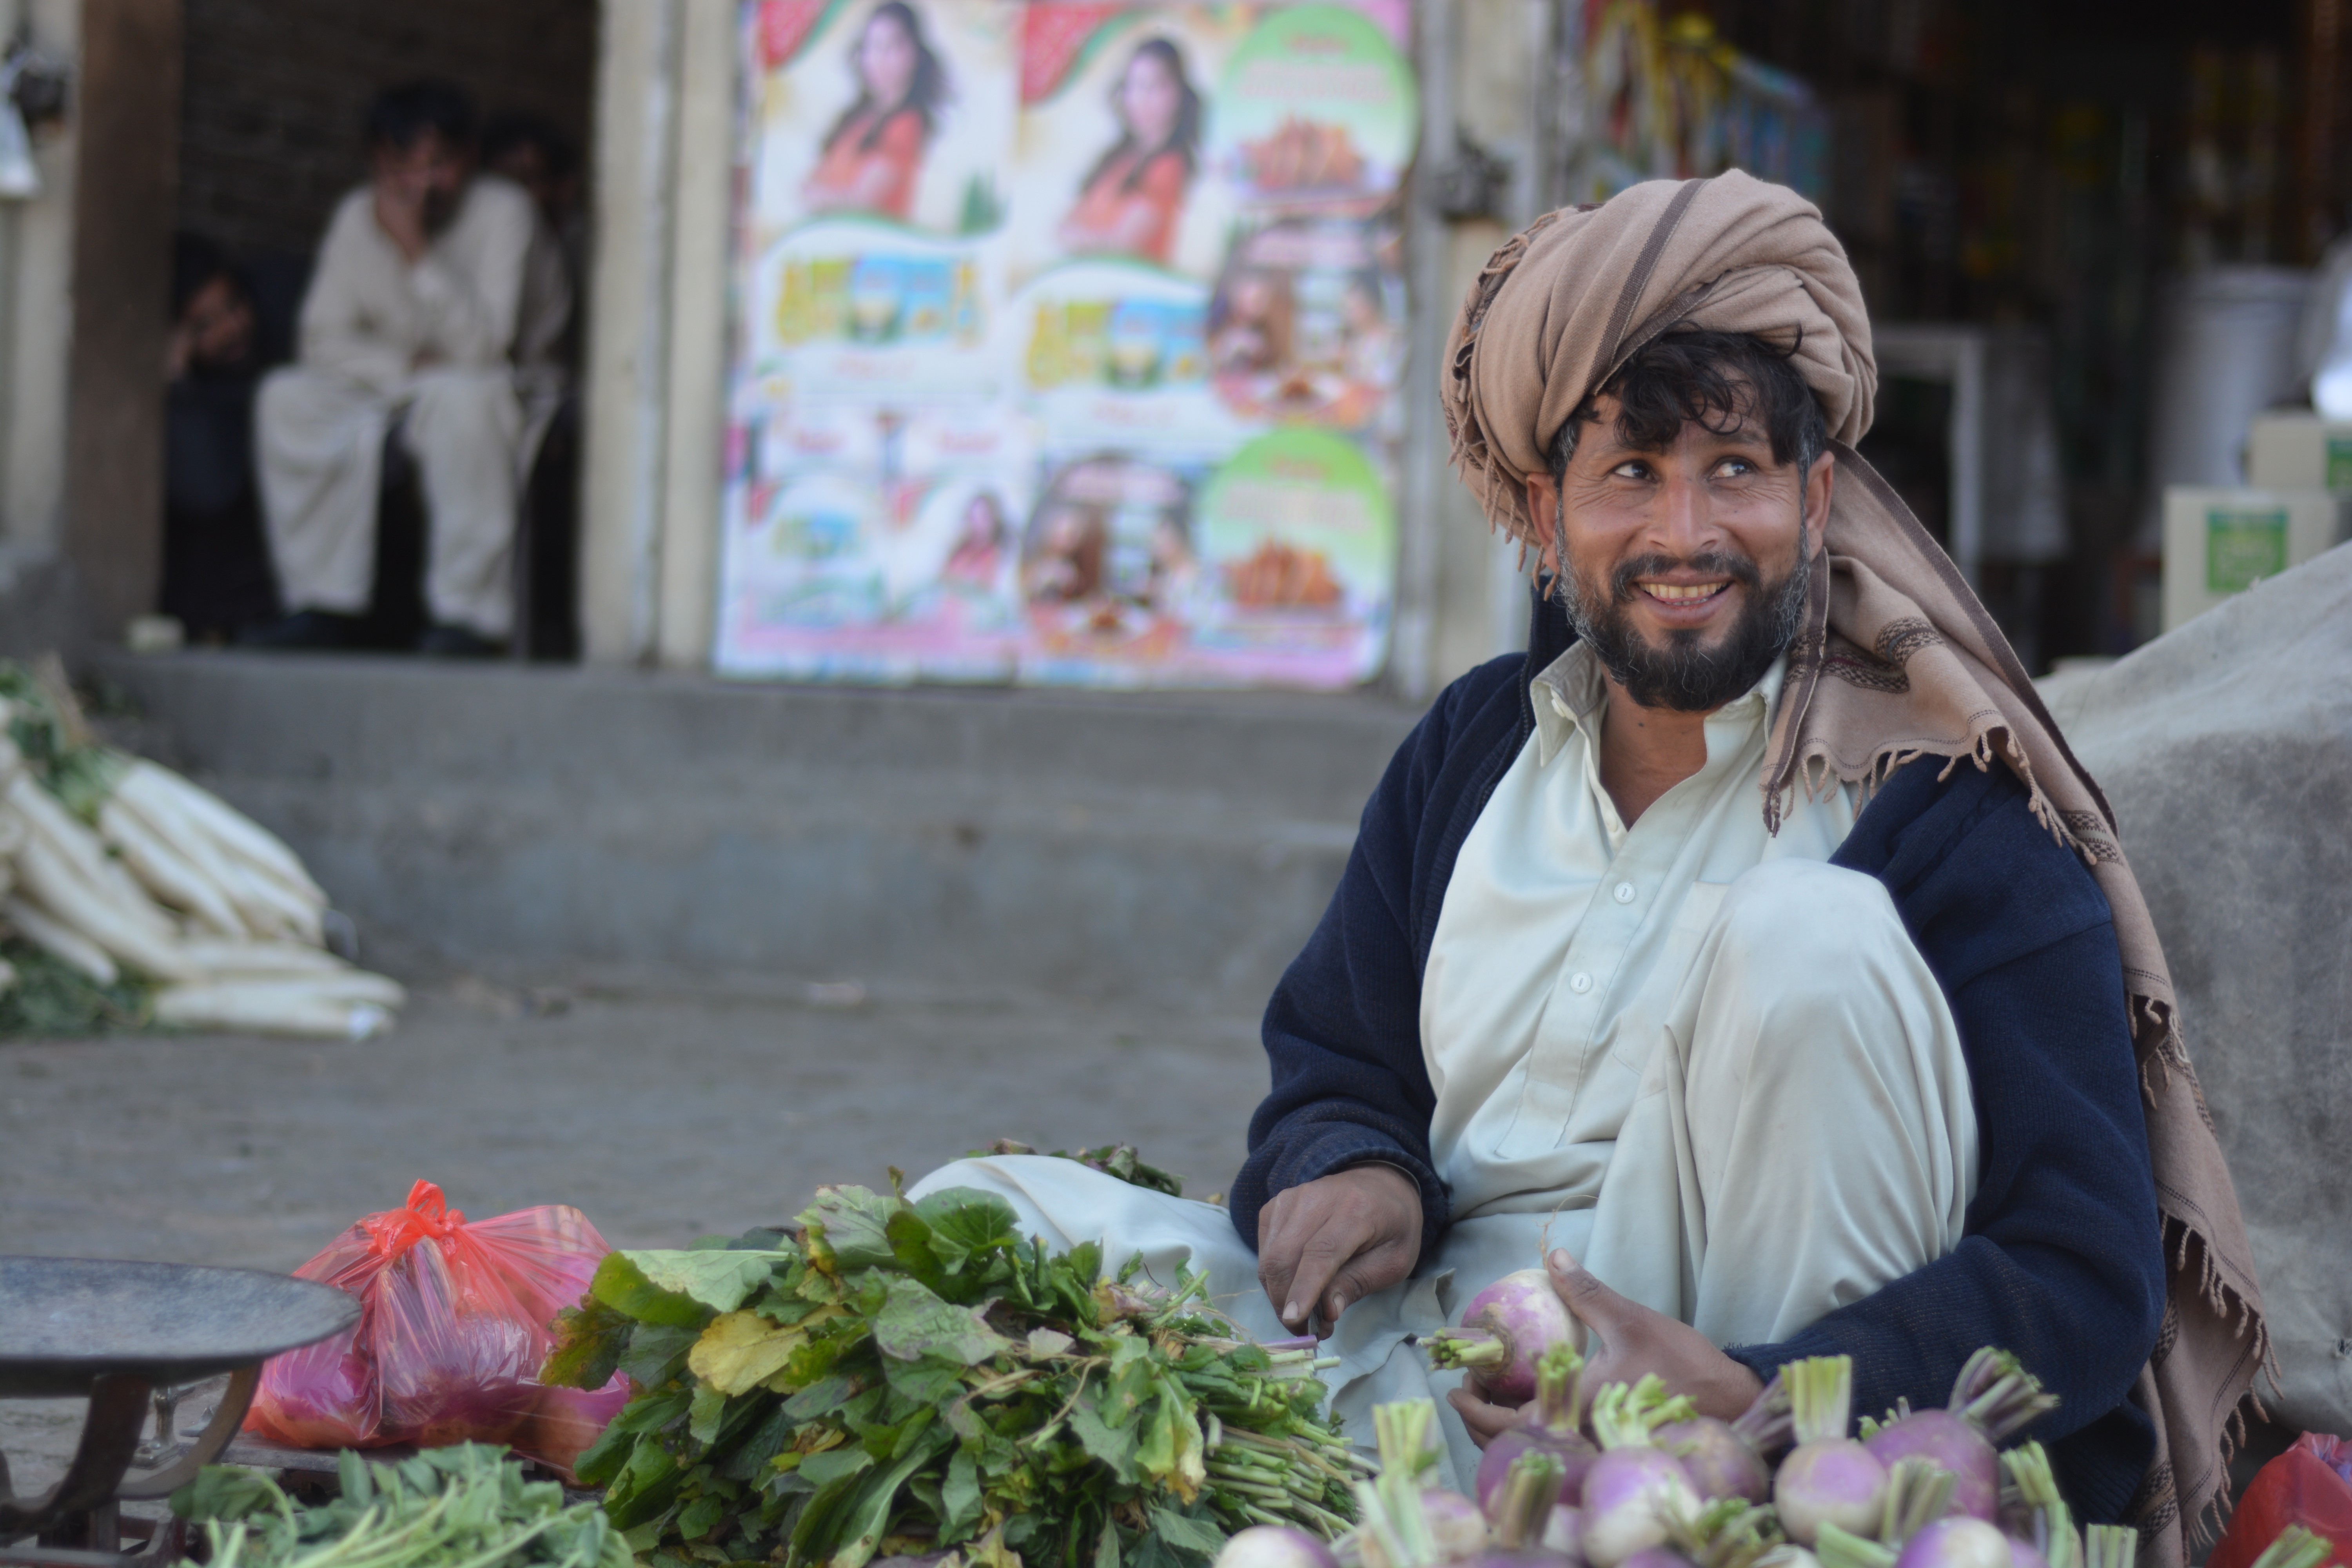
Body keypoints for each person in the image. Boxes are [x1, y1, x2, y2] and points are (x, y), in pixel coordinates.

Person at [910, 173, 2264, 1565]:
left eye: (1731, 471)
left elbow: (2080, 1274)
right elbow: (1333, 1054)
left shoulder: (1939, 813)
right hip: (1434, 1373)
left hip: (1719, 1437)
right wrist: (1354, 1164)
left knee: (1807, 939)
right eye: (1630, 473)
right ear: (1550, 516)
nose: (1683, 533)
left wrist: (1756, 1389)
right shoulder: (1473, 746)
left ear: (1812, 500)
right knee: (972, 1220)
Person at [250, 80, 571, 655]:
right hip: (397, 383)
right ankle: (321, 605)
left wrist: (415, 251)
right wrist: (405, 365)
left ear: (469, 158)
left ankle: (469, 619)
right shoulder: (356, 216)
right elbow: (322, 341)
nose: (422, 185)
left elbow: (485, 349)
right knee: (287, 397)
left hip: (506, 386)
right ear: (377, 161)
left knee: (465, 398)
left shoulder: (507, 213)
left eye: (439, 166)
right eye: (403, 167)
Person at [162, 235, 278, 641]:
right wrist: (178, 384)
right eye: (204, 325)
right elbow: (206, 490)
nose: (232, 328)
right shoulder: (185, 396)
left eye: (234, 307)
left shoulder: (276, 367)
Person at [1058, 38, 1200, 267]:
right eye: (1132, 87)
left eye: (1152, 87)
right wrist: (1087, 238)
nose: (1139, 99)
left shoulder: (1169, 166)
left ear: (1177, 93)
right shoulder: (1118, 158)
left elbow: (1122, 246)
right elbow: (1062, 228)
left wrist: (1082, 238)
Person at [802, 2, 947, 222]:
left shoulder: (907, 124)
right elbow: (808, 186)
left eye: (890, 47)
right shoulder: (857, 119)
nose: (877, 59)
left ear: (914, 53)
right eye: (871, 47)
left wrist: (822, 196)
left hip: (873, 251)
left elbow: (862, 203)